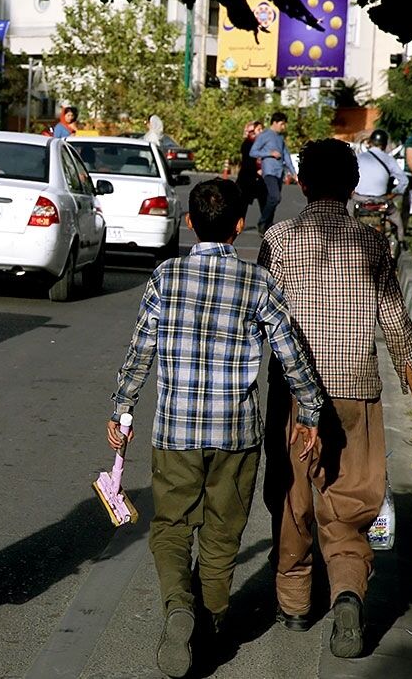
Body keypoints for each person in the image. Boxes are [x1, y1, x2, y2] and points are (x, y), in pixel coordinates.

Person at [109, 179, 325, 678]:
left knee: (170, 527)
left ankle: (178, 607)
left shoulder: (165, 277)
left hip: (176, 431)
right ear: (239, 226)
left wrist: (121, 409)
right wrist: (311, 411)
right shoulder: (258, 284)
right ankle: (209, 624)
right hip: (236, 434)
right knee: (223, 533)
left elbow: (140, 352)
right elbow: (291, 355)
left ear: (188, 223)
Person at [258, 139, 412, 659]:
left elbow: (259, 319)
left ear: (300, 180)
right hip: (356, 392)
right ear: (351, 186)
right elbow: (394, 321)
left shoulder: (277, 239)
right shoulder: (370, 244)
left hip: (295, 398)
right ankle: (347, 591)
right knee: (348, 502)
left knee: (293, 497)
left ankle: (296, 605)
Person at [352, 129, 409, 244]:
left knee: (345, 218)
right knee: (397, 220)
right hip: (381, 201)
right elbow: (404, 181)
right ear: (384, 144)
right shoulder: (389, 160)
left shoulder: (359, 158)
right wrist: (392, 194)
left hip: (358, 200)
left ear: (370, 143)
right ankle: (401, 241)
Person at [249, 112, 296, 232]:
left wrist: (294, 173)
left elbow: (286, 156)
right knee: (275, 197)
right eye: (282, 124)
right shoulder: (265, 135)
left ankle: (268, 224)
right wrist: (269, 154)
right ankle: (263, 221)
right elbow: (253, 152)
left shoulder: (280, 138)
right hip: (269, 171)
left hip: (279, 172)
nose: (283, 127)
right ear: (274, 123)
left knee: (273, 199)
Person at [235, 120, 266, 214]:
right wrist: (257, 170)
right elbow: (247, 162)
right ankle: (238, 224)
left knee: (265, 202)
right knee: (242, 203)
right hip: (247, 178)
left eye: (262, 129)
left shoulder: (264, 143)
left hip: (261, 178)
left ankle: (265, 224)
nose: (261, 131)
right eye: (258, 129)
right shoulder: (247, 143)